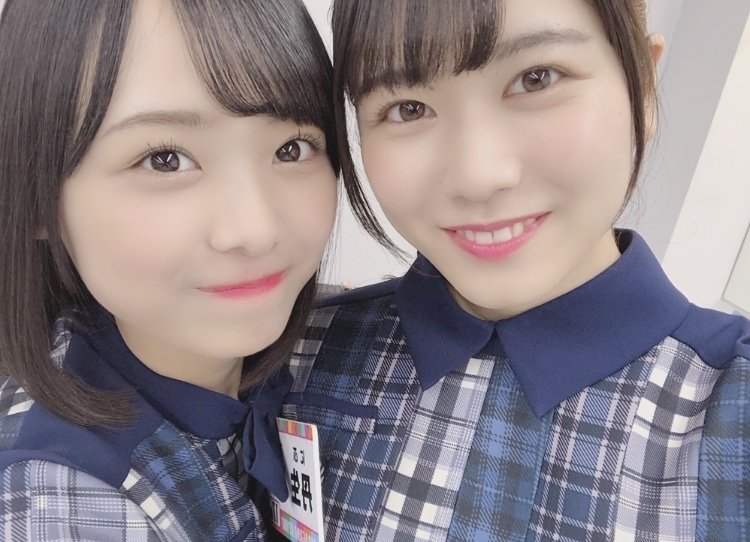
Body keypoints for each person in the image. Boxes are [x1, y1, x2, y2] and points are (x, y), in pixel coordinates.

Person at [281, 0, 750, 540]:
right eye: (408, 108)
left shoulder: (728, 412)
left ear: (641, 88)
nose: (478, 176)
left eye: (536, 78)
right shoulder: (296, 351)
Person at [0, 0, 337, 539]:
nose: (255, 230)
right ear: (37, 197)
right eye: (165, 159)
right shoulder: (58, 505)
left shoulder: (335, 346)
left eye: (291, 148)